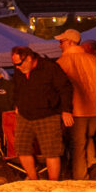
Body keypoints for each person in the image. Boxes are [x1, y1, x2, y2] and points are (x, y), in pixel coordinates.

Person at [8, 45, 71, 181]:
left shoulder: (50, 68)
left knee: (51, 151)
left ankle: (53, 183)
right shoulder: (19, 70)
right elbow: (16, 88)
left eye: (19, 64)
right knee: (21, 147)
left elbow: (65, 88)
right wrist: (16, 104)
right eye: (15, 65)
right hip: (25, 114)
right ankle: (33, 179)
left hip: (48, 114)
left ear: (29, 59)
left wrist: (66, 110)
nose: (17, 67)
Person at [55, 29, 96, 179]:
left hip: (77, 109)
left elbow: (57, 87)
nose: (59, 45)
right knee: (89, 138)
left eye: (61, 42)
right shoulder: (94, 59)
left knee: (78, 144)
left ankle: (81, 176)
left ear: (70, 42)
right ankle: (92, 162)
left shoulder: (63, 62)